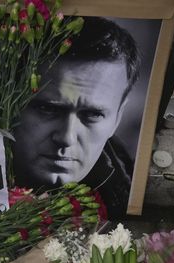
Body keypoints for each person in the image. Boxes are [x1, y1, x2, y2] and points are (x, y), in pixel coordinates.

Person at [13, 17, 140, 218]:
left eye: (93, 114)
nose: (66, 138)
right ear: (12, 102)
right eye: (48, 109)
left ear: (118, 117)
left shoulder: (131, 191)